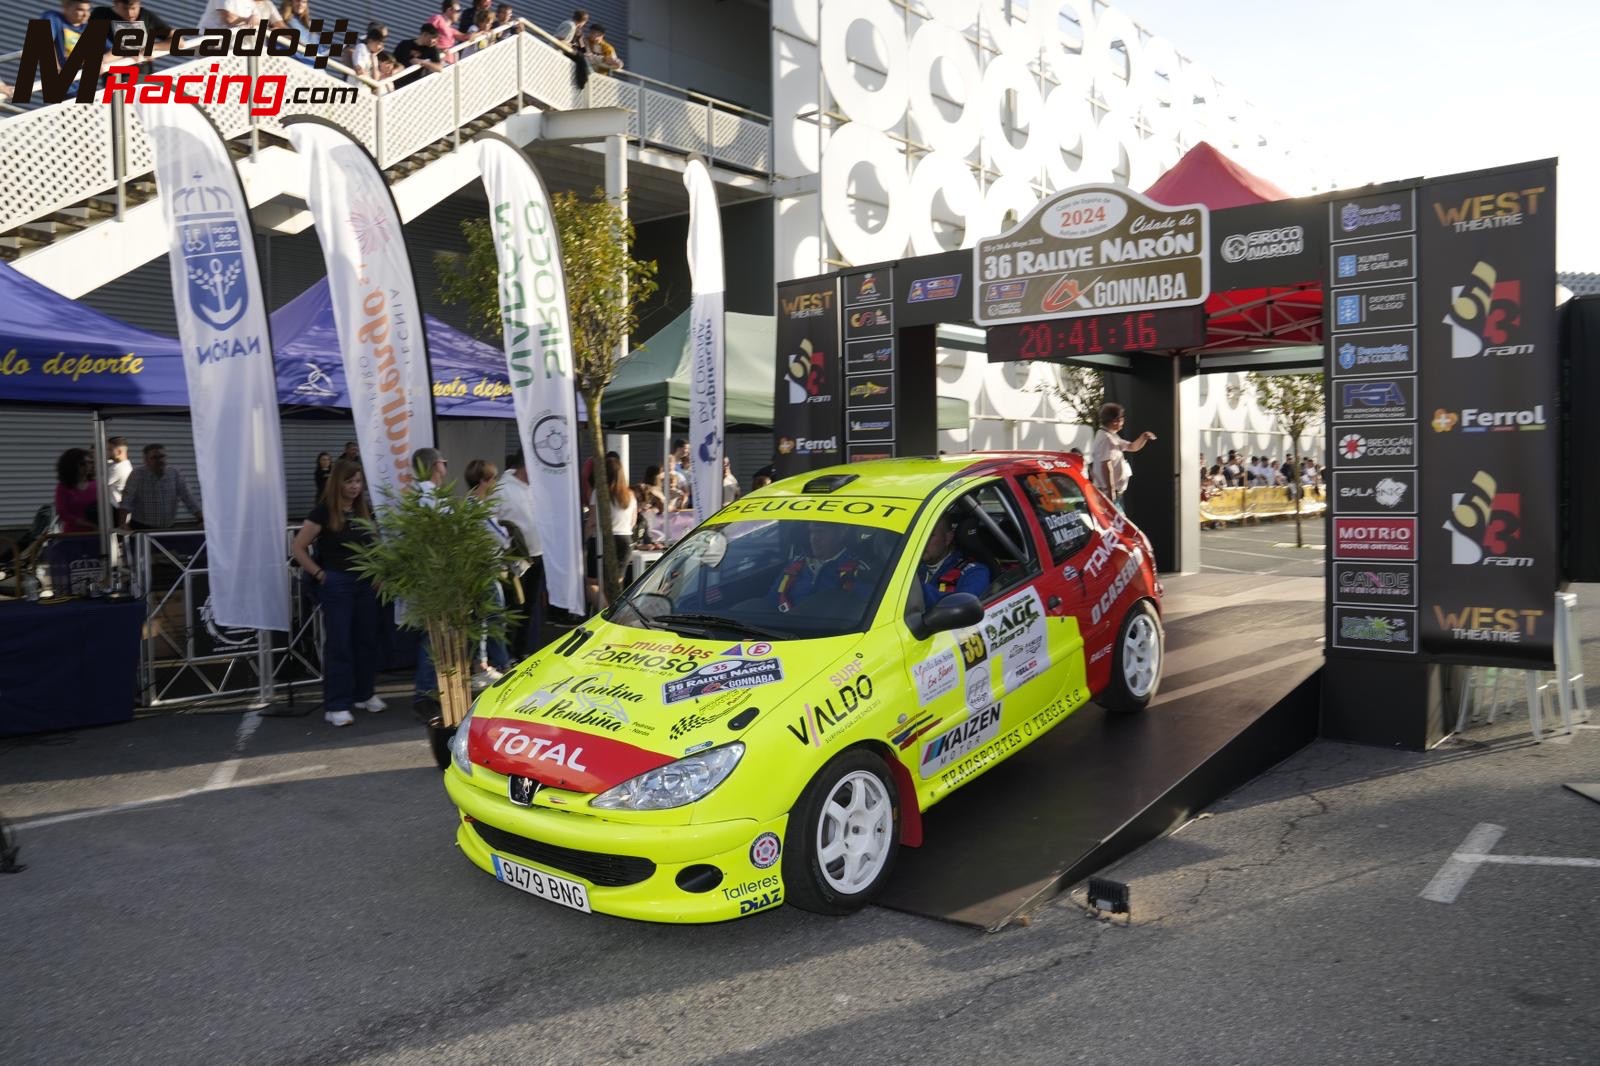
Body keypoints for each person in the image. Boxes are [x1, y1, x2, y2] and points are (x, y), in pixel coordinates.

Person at [291, 459, 384, 727]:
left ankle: (364, 694)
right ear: (338, 483)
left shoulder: (364, 511)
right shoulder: (322, 512)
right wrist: (320, 574)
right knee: (340, 644)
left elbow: (375, 544)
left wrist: (378, 573)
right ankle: (336, 704)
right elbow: (298, 547)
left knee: (367, 640)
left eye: (358, 481)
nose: (355, 487)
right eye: (349, 481)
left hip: (366, 583)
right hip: (337, 583)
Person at [464, 459, 512, 687]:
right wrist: (506, 532)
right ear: (484, 480)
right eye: (493, 478)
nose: (495, 483)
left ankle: (483, 664)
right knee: (493, 617)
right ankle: (495, 665)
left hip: (476, 567)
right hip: (483, 568)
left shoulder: (470, 504)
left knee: (482, 618)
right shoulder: (477, 506)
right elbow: (500, 538)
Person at [498, 452, 546, 656]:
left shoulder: (535, 488)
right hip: (515, 559)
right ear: (525, 466)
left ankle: (522, 651)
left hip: (538, 554)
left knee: (530, 607)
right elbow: (491, 521)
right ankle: (507, 654)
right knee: (515, 607)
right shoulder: (502, 488)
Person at [770, 524, 867, 612]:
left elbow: (862, 610)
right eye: (811, 532)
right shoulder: (796, 565)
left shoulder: (857, 570)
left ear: (841, 534)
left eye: (820, 532)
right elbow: (771, 601)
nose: (814, 539)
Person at [118, 443, 202, 529]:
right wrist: (122, 523)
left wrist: (201, 518)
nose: (159, 460)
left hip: (167, 527)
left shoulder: (174, 473)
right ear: (146, 460)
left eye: (162, 456)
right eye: (154, 458)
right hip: (142, 528)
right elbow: (127, 500)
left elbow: (187, 496)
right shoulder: (137, 475)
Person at [915, 511, 990, 607]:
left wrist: (915, 589)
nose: (921, 541)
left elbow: (964, 607)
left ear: (948, 538)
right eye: (918, 535)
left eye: (929, 535)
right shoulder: (909, 566)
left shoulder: (974, 572)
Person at [587, 454, 636, 600]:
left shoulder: (599, 493)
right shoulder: (630, 495)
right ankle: (615, 614)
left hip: (602, 540)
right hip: (625, 540)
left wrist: (584, 540)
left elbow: (591, 522)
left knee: (592, 583)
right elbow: (632, 523)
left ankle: (605, 612)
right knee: (615, 584)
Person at [1089, 402, 1155, 510]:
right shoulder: (1105, 438)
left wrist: (1144, 437)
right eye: (1122, 418)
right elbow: (1106, 467)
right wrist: (1111, 496)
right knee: (1116, 525)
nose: (1123, 421)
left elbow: (1132, 446)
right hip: (1108, 495)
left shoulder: (1111, 436)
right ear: (1115, 421)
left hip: (1115, 494)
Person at [90, 0, 175, 65]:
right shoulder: (101, 15)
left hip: (142, 77)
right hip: (114, 78)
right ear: (115, 3)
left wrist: (153, 46)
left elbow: (179, 42)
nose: (130, 14)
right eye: (125, 9)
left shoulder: (146, 16)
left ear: (139, 3)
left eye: (134, 8)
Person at [53, 448, 99, 534]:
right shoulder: (63, 486)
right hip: (73, 534)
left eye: (90, 462)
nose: (87, 466)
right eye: (83, 463)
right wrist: (88, 524)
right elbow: (63, 513)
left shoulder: (96, 484)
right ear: (72, 464)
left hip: (96, 534)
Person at [41, 0, 94, 73]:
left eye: (88, 10)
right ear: (66, 8)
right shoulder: (54, 18)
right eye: (80, 10)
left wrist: (104, 61)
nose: (86, 14)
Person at [105, 436, 132, 508]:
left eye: (110, 450)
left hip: (115, 510)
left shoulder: (117, 468)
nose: (107, 452)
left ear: (119, 452)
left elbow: (99, 485)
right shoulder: (126, 465)